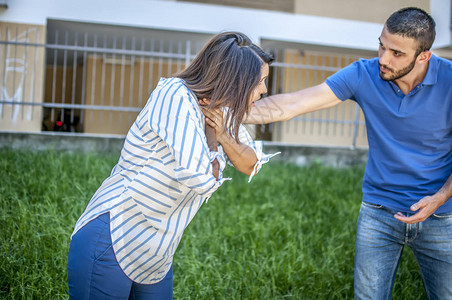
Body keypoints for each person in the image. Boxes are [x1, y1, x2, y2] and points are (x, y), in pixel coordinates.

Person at [247, 7, 452, 299]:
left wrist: (442, 197)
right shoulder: (363, 74)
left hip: (441, 216)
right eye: (382, 45)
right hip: (378, 212)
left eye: (397, 53)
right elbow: (293, 103)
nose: (383, 58)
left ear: (424, 56)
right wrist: (229, 111)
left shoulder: (449, 81)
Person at [67, 31, 277, 299]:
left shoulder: (220, 112)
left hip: (157, 256)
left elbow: (252, 164)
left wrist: (223, 134)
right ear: (236, 79)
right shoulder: (175, 95)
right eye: (260, 82)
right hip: (112, 239)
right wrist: (216, 138)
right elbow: (200, 177)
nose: (264, 90)